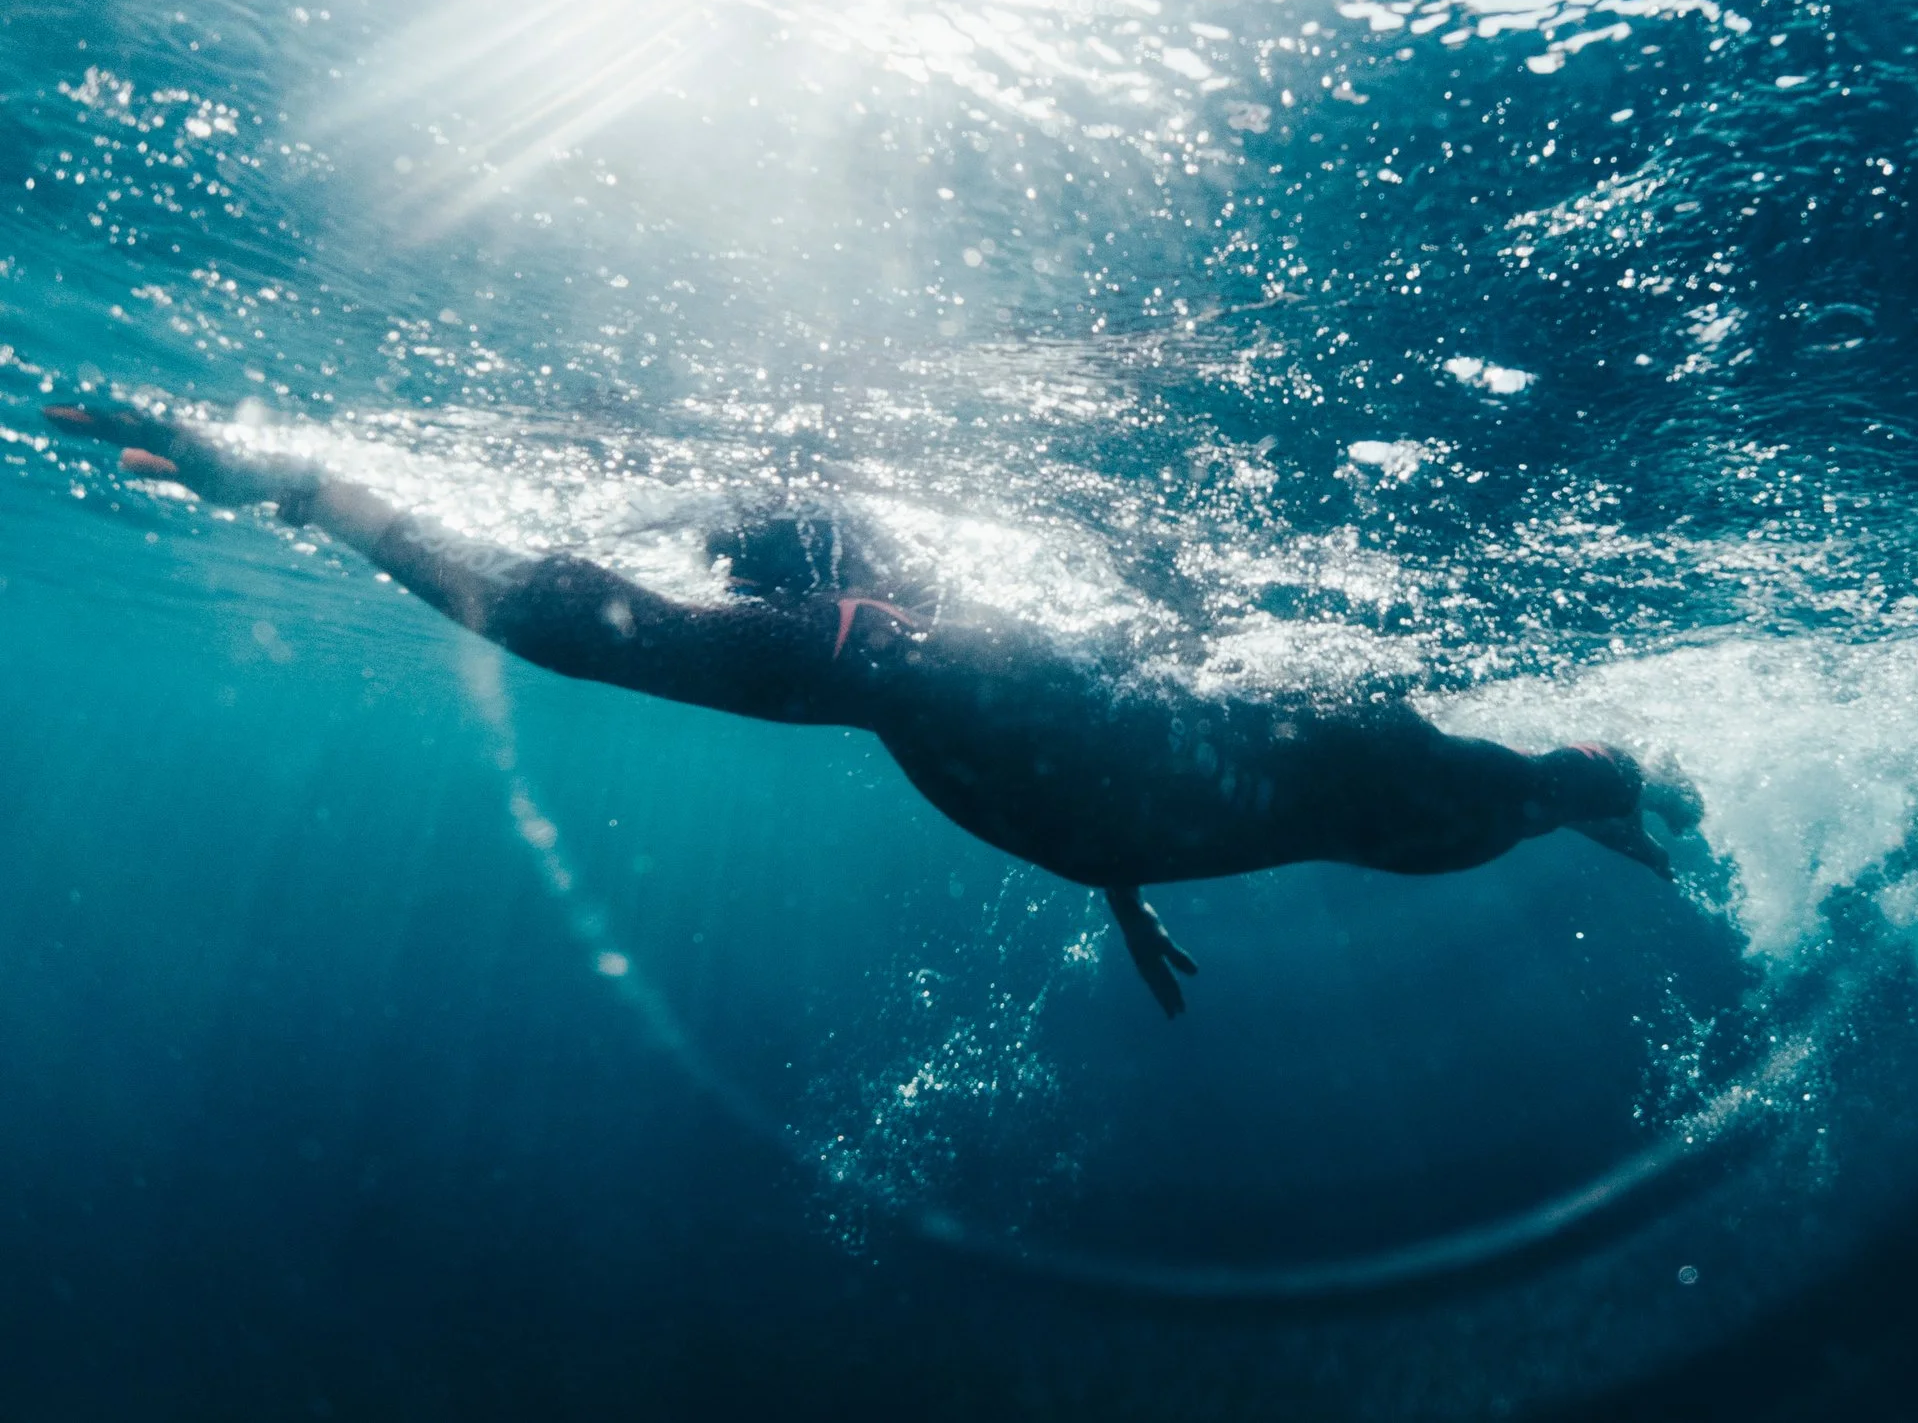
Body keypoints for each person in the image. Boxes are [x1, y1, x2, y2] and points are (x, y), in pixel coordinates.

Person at [43, 394, 1704, 1015]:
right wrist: (1119, 873)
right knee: (1497, 791)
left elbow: (563, 628)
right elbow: (1088, 744)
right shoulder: (922, 658)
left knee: (1534, 785)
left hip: (1354, 791)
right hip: (1228, 807)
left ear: (802, 581)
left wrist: (308, 490)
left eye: (743, 579)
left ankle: (1638, 792)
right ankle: (1614, 801)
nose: (722, 613)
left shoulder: (869, 654)